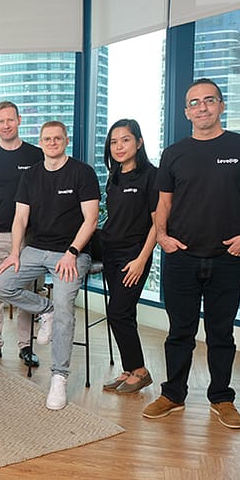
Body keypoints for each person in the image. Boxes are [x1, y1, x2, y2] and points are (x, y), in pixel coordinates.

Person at [143, 78, 240, 429]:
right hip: (181, 257)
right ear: (186, 111)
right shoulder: (174, 153)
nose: (202, 107)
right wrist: (162, 237)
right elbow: (163, 203)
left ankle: (221, 398)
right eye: (194, 103)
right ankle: (172, 395)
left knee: (221, 332)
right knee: (179, 332)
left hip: (229, 258)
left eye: (209, 101)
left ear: (221, 105)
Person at [0, 121, 100, 411]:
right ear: (40, 143)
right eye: (46, 139)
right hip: (36, 249)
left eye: (57, 138)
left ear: (66, 140)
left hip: (72, 253)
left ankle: (59, 377)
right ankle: (45, 310)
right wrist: (15, 252)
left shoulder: (82, 173)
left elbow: (91, 219)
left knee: (65, 303)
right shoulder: (31, 176)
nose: (52, 142)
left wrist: (72, 252)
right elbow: (20, 218)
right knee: (0, 284)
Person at [0, 101, 44, 367]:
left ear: (19, 120)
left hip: (28, 239)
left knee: (26, 291)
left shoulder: (35, 155)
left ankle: (26, 346)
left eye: (10, 120)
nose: (5, 125)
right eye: (0, 121)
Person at [99, 119, 158, 394]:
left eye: (125, 140)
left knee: (117, 312)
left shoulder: (152, 176)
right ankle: (129, 369)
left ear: (139, 142)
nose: (119, 146)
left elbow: (159, 225)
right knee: (124, 313)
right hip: (111, 251)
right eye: (113, 141)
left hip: (134, 254)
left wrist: (141, 259)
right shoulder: (115, 176)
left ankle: (142, 371)